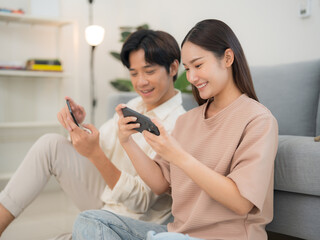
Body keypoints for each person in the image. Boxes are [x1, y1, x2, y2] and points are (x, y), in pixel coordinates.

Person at [72, 19, 279, 240]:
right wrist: (127, 142)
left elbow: (241, 203)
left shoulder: (257, 120)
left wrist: (179, 156)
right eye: (187, 69)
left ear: (227, 58)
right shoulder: (187, 121)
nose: (191, 78)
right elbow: (160, 184)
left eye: (198, 66)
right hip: (175, 234)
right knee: (90, 220)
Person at [0, 29, 185, 240]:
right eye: (134, 73)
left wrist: (95, 154)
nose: (140, 82)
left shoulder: (180, 124)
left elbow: (140, 201)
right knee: (50, 144)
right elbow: (102, 144)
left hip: (134, 218)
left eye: (149, 71)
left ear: (173, 67)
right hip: (107, 197)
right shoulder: (135, 104)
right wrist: (79, 127)